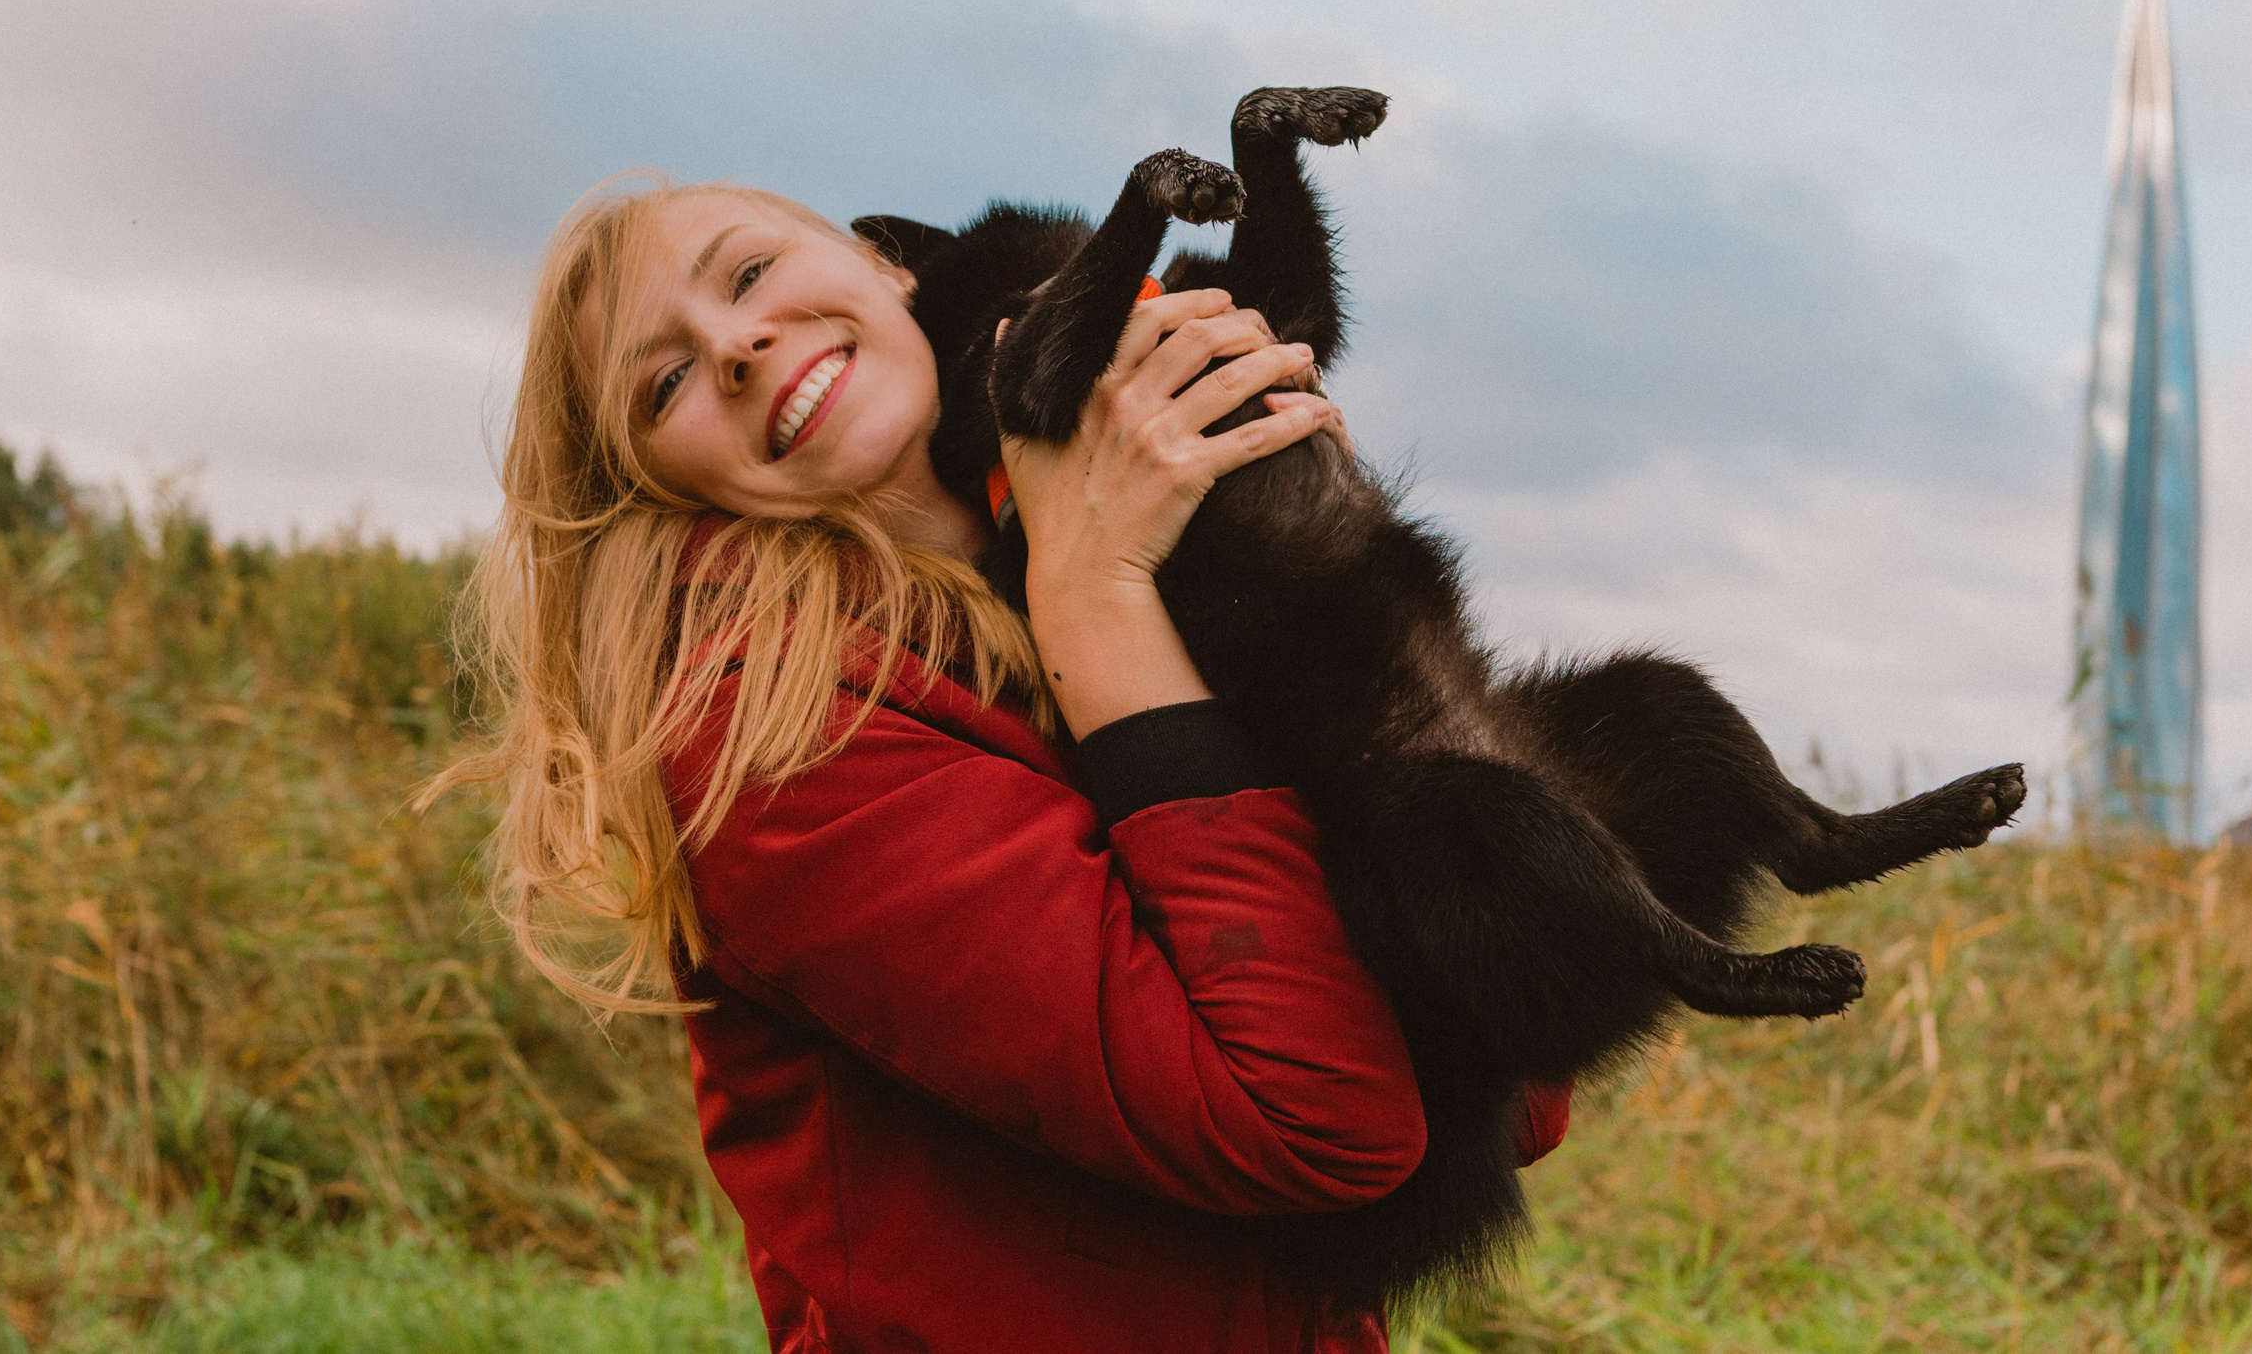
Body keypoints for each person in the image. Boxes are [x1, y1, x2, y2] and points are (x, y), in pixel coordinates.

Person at [433, 170, 1566, 1353]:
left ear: (886, 265)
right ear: (661, 483)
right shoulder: (765, 734)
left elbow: (1522, 1067)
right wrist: (1096, 598)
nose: (736, 344)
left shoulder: (1108, 551)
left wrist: (1283, 540)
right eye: (664, 382)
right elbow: (1326, 1112)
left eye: (752, 273)